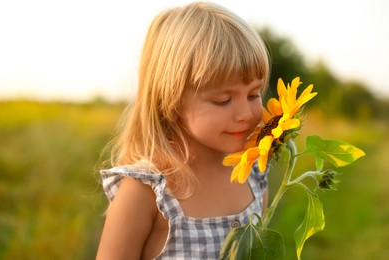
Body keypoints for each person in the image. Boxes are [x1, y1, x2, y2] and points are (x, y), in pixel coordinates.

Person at [96, 2, 270, 259]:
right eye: (223, 100)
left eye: (254, 94)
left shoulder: (254, 174)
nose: (246, 114)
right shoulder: (146, 192)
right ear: (172, 99)